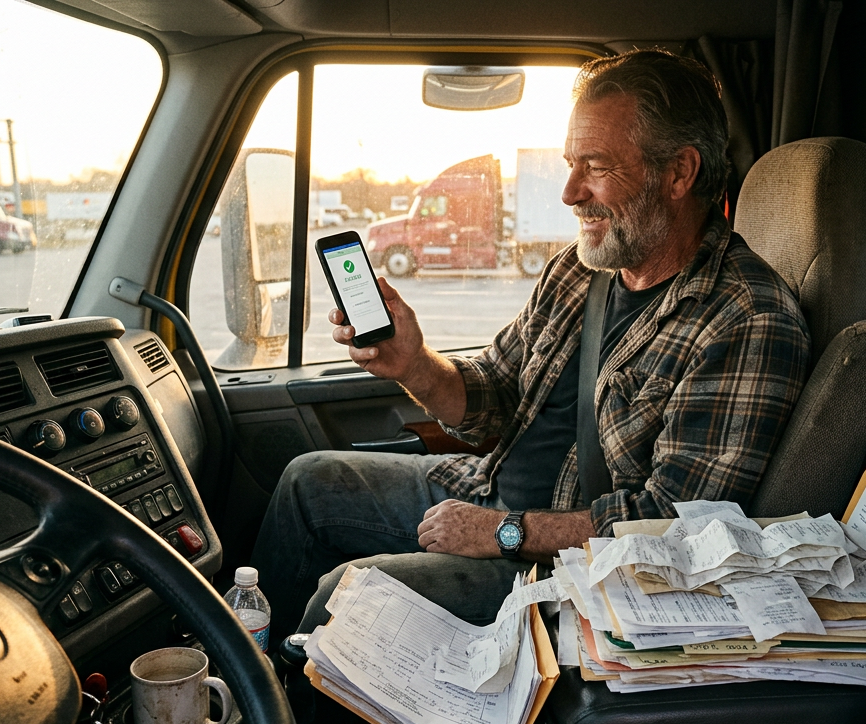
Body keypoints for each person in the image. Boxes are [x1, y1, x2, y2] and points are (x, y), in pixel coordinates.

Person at [251, 49, 811, 642]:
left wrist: (503, 532)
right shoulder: (580, 270)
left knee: (344, 598)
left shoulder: (745, 320)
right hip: (486, 490)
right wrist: (413, 365)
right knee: (308, 482)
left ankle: (275, 697)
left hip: (567, 573)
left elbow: (674, 528)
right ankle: (248, 665)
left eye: (595, 166)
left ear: (679, 173)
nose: (569, 192)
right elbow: (496, 390)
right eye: (571, 164)